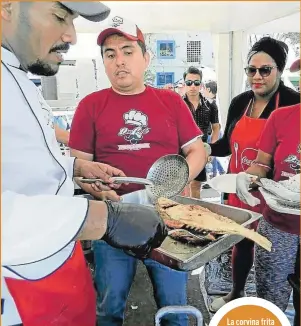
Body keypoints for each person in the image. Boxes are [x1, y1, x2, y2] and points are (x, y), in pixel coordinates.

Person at [2, 3, 167, 325]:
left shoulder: (15, 74)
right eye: (60, 16)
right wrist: (104, 218)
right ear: (7, 6)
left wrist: (74, 170)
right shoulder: (91, 103)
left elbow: (20, 163)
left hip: (59, 264)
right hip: (17, 288)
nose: (72, 36)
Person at [68, 16, 207, 326]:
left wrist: (178, 178)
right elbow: (79, 167)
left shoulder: (170, 101)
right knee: (109, 307)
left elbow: (197, 151)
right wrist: (94, 187)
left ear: (146, 57)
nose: (119, 61)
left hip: (167, 217)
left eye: (128, 51)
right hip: (112, 218)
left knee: (175, 308)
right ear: (103, 61)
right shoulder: (90, 105)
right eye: (110, 53)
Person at [209, 37, 300, 312]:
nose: (257, 76)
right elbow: (230, 145)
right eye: (251, 70)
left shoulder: (290, 101)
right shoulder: (242, 103)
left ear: (280, 71)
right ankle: (236, 292)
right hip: (246, 186)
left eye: (265, 70)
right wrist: (208, 149)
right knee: (244, 242)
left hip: (276, 195)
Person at [236, 71, 300, 325]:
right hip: (277, 226)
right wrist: (247, 176)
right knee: (270, 304)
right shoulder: (282, 116)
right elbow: (262, 164)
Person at [182, 66, 220, 198]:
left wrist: (213, 149)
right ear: (184, 84)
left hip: (201, 147)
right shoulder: (178, 104)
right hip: (181, 148)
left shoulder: (210, 105)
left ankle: (196, 214)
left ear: (201, 84)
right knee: (183, 185)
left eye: (196, 83)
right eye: (189, 82)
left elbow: (216, 127)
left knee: (196, 185)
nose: (193, 86)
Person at [202, 80, 225, 177]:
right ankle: (221, 171)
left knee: (212, 154)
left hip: (213, 132)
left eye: (203, 89)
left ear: (208, 89)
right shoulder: (216, 102)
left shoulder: (212, 104)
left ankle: (214, 175)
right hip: (215, 131)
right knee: (213, 154)